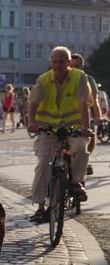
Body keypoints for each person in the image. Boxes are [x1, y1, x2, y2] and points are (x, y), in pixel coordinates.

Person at [27, 46, 93, 223]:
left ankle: (76, 182)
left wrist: (86, 127)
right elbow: (33, 103)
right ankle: (40, 206)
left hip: (73, 126)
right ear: (51, 62)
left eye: (62, 61)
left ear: (69, 62)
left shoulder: (79, 77)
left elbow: (83, 104)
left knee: (80, 147)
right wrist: (31, 123)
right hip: (48, 128)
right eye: (54, 62)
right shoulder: (43, 79)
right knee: (43, 163)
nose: (57, 65)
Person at [70, 53, 101, 175]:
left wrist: (98, 116)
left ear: (82, 67)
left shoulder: (89, 80)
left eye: (77, 66)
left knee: (91, 138)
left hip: (83, 118)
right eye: (71, 65)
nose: (74, 68)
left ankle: (84, 162)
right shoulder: (62, 78)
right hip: (64, 118)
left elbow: (94, 101)